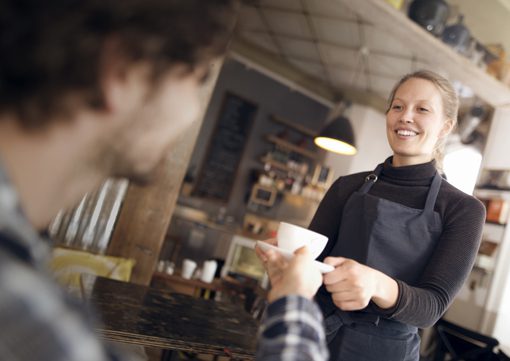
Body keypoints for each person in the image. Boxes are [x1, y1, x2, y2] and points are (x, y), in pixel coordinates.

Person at [0, 0, 238, 360]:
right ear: (124, 69)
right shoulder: (29, 319)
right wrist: (295, 302)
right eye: (198, 79)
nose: (192, 112)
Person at [257, 70, 486, 361]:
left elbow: (432, 307)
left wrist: (376, 284)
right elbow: (310, 264)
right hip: (318, 337)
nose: (405, 116)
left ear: (445, 127)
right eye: (398, 106)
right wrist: (286, 266)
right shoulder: (347, 187)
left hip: (387, 351)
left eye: (422, 109)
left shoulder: (463, 209)